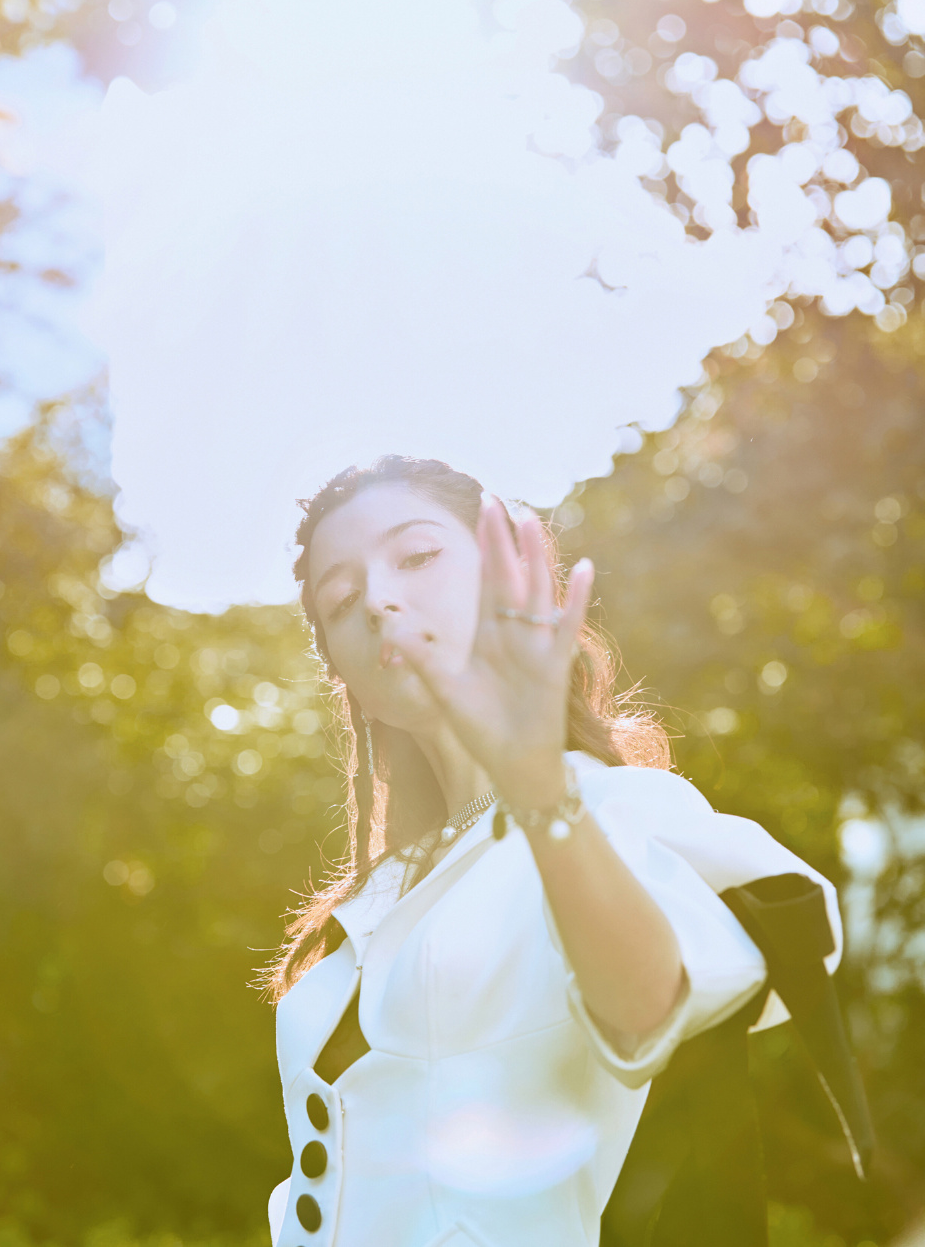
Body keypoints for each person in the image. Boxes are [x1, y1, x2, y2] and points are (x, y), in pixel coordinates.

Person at [263, 456, 841, 1247]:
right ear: (349, 683)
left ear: (511, 577)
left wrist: (538, 793)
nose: (378, 598)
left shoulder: (606, 808)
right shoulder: (370, 906)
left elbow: (652, 1010)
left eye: (418, 555)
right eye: (340, 598)